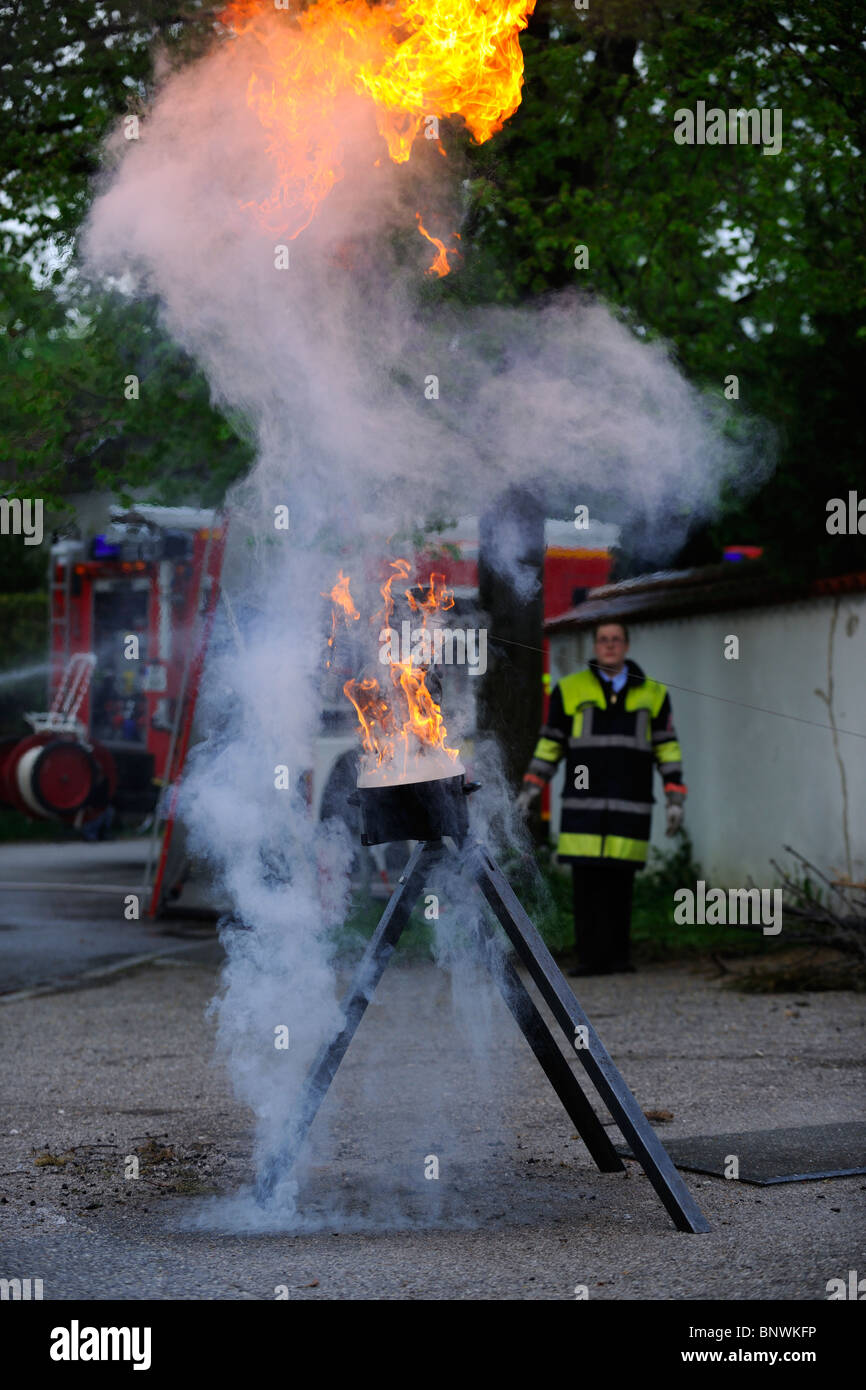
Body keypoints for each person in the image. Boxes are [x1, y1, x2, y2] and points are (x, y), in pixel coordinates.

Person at [517, 620, 686, 976]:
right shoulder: (570, 689)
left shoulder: (653, 694)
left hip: (630, 804)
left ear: (626, 645)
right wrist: (532, 788)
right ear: (595, 647)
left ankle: (618, 959)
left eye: (616, 640)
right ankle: (589, 960)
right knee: (587, 885)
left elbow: (667, 747)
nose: (609, 646)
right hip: (584, 806)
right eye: (603, 640)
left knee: (620, 884)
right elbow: (551, 743)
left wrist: (675, 797)